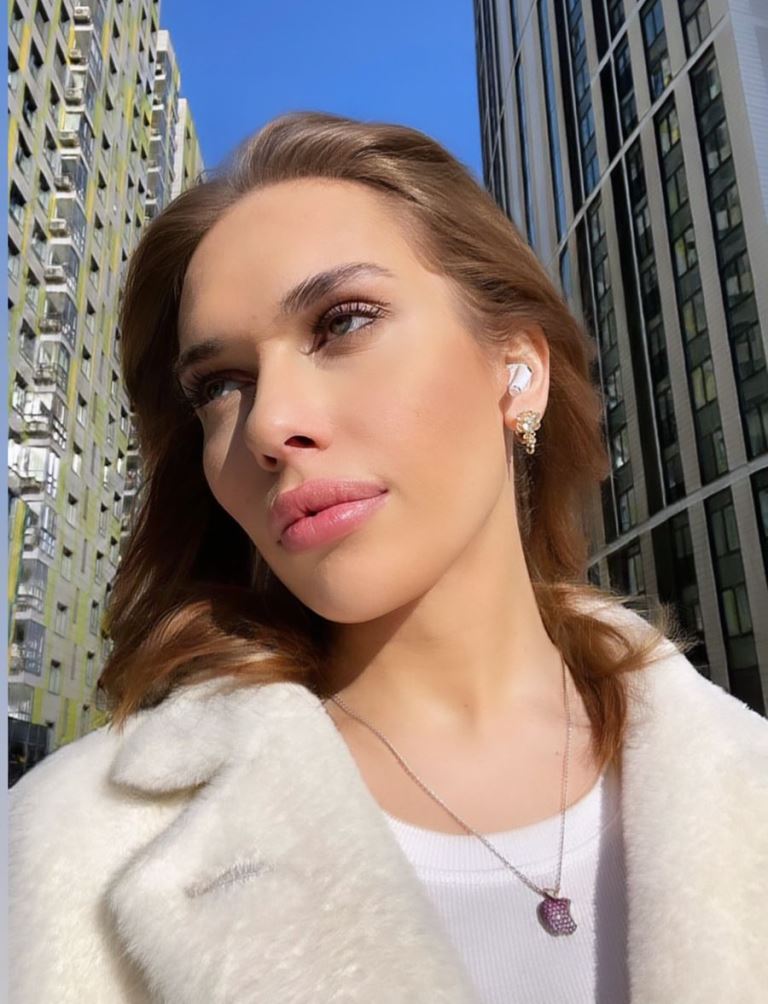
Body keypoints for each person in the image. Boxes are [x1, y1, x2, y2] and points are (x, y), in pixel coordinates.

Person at [9, 111, 768, 1004]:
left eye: (342, 323)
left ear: (517, 371)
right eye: (220, 386)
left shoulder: (745, 781)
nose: (268, 424)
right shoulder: (68, 849)